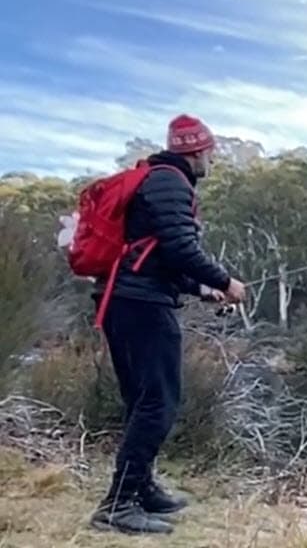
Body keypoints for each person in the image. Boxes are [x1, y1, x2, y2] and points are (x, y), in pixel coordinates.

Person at [90, 114, 246, 535]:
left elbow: (154, 254)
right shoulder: (171, 182)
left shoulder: (155, 179)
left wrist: (201, 289)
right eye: (210, 152)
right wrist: (225, 281)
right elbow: (180, 247)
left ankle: (141, 489)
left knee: (143, 400)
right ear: (197, 151)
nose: (211, 159)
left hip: (126, 299)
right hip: (140, 305)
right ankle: (119, 504)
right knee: (158, 402)